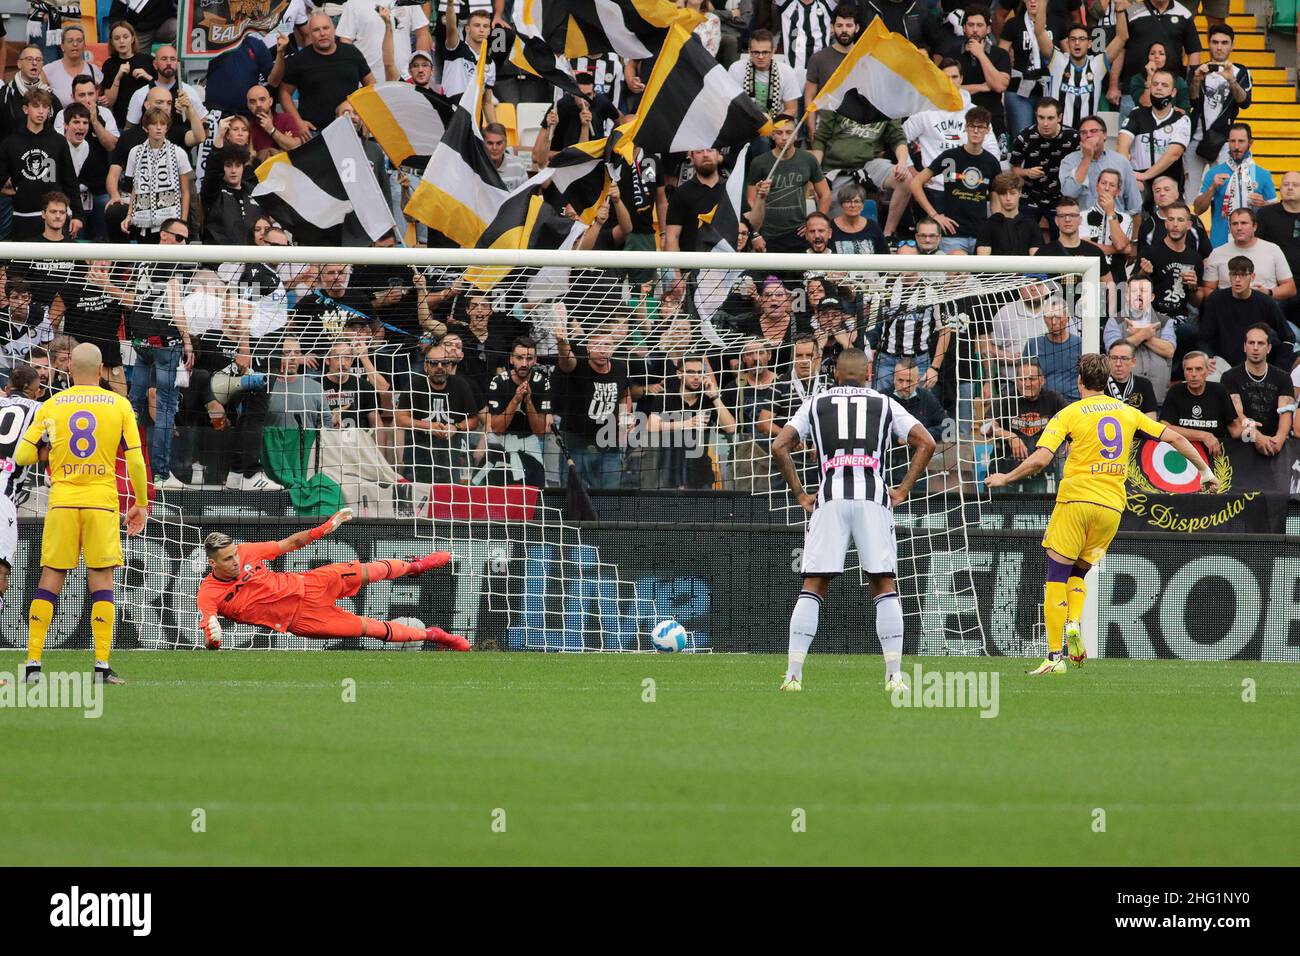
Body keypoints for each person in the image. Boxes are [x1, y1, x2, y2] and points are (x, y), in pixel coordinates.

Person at [986, 353, 1217, 674]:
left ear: (1079, 380)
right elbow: (1175, 437)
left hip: (1076, 502)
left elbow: (1040, 460)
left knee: (1056, 576)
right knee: (1079, 573)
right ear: (1106, 381)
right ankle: (1074, 623)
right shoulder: (1127, 412)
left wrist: (1005, 478)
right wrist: (1205, 472)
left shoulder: (1068, 414)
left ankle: (1054, 656)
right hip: (1111, 508)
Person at [771, 347, 936, 692]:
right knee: (884, 583)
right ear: (869, 373)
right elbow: (926, 442)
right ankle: (893, 676)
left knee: (814, 583)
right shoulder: (884, 402)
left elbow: (780, 445)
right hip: (873, 499)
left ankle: (793, 675)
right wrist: (903, 489)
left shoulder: (817, 403)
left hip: (829, 499)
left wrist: (801, 494)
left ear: (835, 375)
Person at [14, 342, 149, 685]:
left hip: (62, 501)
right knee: (101, 582)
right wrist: (141, 503)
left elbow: (23, 457)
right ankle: (102, 666)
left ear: (69, 369)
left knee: (50, 580)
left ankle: (32, 664)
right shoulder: (119, 404)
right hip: (101, 501)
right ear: (102, 368)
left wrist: (48, 449)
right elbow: (134, 458)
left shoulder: (52, 404)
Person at [198, 512, 467, 650]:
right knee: (372, 629)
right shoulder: (208, 594)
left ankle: (416, 566)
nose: (235, 560)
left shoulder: (246, 552)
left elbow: (289, 543)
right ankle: (434, 635)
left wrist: (323, 529)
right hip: (302, 621)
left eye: (234, 554)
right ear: (213, 564)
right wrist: (215, 641)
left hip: (310, 583)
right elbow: (210, 636)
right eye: (227, 559)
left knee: (366, 570)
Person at [910, 106, 1003, 254]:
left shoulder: (991, 162)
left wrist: (995, 225)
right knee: (957, 274)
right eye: (972, 126)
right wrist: (935, 216)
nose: (976, 130)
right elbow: (915, 183)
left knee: (981, 275)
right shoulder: (950, 156)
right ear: (965, 127)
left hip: (981, 234)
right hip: (953, 234)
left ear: (988, 130)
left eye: (981, 127)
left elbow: (995, 198)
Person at [0, 89, 82, 240]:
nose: (41, 111)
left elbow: (70, 180)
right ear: (25, 109)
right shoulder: (10, 143)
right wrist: (17, 189)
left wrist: (77, 215)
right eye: (36, 106)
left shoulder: (59, 141)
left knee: (57, 262)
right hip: (23, 215)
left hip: (55, 216)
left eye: (45, 107)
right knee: (22, 263)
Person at [396, 341, 481, 485]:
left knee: (451, 498)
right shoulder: (415, 384)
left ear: (450, 366)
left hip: (451, 454)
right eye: (434, 363)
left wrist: (456, 427)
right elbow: (400, 419)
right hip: (419, 453)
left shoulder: (461, 385)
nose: (439, 367)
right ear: (426, 366)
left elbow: (474, 420)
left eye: (444, 363)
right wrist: (428, 426)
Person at [279, 12, 375, 135]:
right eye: (316, 30)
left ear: (334, 29)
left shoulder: (351, 52)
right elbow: (284, 93)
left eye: (326, 28)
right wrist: (298, 123)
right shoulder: (299, 60)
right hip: (316, 132)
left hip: (351, 128)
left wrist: (364, 114)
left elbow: (371, 83)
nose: (322, 33)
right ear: (310, 34)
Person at [747, 114, 831, 253]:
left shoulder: (807, 159)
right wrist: (755, 233)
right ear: (772, 135)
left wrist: (814, 223)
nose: (784, 137)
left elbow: (825, 194)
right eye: (779, 132)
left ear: (796, 134)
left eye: (789, 132)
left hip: (798, 233)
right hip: (768, 233)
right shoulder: (759, 162)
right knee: (771, 275)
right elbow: (751, 199)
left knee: (798, 274)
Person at [1185, 24, 1252, 197]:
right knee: (1190, 192)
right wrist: (1197, 80)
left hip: (1223, 140)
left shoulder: (1241, 71)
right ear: (1209, 44)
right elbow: (1191, 100)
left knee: (1224, 193)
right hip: (1195, 138)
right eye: (1215, 42)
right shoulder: (1198, 69)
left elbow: (1244, 102)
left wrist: (1232, 80)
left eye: (1224, 42)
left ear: (1232, 46)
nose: (1219, 47)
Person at [1198, 256, 1294, 377]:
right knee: (1208, 381)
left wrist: (1279, 369)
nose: (1237, 279)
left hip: (1256, 365)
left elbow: (1288, 337)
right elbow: (1204, 337)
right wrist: (1207, 356)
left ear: (1252, 277)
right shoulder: (1216, 299)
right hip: (1222, 362)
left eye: (1243, 275)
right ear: (1229, 276)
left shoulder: (1265, 301)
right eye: (1234, 274)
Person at [1036, 11, 1126, 131]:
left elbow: (1122, 37)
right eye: (1073, 39)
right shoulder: (1058, 62)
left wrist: (1119, 9)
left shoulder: (1097, 65)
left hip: (1087, 137)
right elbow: (1039, 32)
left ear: (1089, 44)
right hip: (1060, 136)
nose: (1077, 43)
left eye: (1082, 39)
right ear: (1067, 43)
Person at [1192, 123, 1275, 249]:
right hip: (1221, 244)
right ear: (1228, 142)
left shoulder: (1263, 174)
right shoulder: (1214, 173)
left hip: (1254, 245)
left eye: (1241, 141)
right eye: (1232, 141)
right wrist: (1212, 188)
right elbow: (1198, 209)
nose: (1236, 146)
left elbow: (1276, 212)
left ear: (1250, 143)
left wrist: (1264, 205)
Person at [985, 358, 1067, 486]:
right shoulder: (1006, 398)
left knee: (1039, 504)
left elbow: (1071, 422)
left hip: (1037, 468)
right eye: (1022, 379)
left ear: (1042, 380)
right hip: (1005, 465)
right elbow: (985, 427)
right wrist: (1010, 436)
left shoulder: (1053, 399)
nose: (1027, 384)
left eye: (1032, 379)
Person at [0, 365, 42, 611]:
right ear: (33, 391)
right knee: (1, 569)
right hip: (2, 493)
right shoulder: (40, 409)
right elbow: (46, 451)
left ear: (8, 388)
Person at [1221, 324, 1294, 462]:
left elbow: (1286, 412)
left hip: (1275, 445)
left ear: (1269, 348)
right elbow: (1236, 413)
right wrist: (1257, 436)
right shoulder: (1230, 376)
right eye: (1251, 343)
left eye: (1260, 343)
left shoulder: (1283, 377)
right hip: (1242, 444)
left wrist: (1279, 439)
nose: (1255, 348)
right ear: (1244, 347)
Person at [486, 337, 552, 488]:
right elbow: (496, 429)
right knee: (493, 490)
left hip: (529, 440)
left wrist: (528, 401)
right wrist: (515, 400)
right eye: (520, 358)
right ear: (511, 359)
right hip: (499, 442)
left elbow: (540, 430)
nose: (524, 364)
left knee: (537, 489)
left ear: (535, 360)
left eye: (529, 358)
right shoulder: (498, 382)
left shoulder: (542, 382)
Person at [1009, 97, 1079, 232]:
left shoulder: (1073, 137)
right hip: (1031, 194)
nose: (1045, 123)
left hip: (1062, 196)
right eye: (1041, 118)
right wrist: (1027, 172)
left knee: (1062, 241)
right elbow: (1014, 170)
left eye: (1050, 118)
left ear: (1060, 117)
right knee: (1022, 234)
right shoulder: (1025, 136)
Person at [1116, 69, 1190, 196]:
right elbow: (1122, 145)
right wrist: (1129, 175)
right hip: (1139, 180)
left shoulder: (1181, 119)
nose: (1159, 88)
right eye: (1155, 84)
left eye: (1164, 85)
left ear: (1173, 92)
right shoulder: (1136, 114)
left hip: (1169, 182)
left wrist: (1146, 175)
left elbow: (1174, 153)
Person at [1103, 276, 1177, 402]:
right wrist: (1142, 335)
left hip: (1157, 397)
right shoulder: (1114, 321)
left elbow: (1169, 350)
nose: (1139, 294)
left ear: (1152, 297)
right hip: (1122, 400)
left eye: (1144, 291)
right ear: (1127, 296)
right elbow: (1113, 351)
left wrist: (1143, 336)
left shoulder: (1165, 322)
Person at [1202, 208, 1295, 300]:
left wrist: (1267, 292)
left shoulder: (1273, 249)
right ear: (1230, 228)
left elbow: (1290, 288)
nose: (1239, 228)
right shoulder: (1217, 253)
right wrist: (1227, 300)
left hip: (1264, 309)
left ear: (1254, 227)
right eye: (1234, 224)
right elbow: (1208, 289)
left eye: (1244, 223)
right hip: (1228, 310)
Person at [1058, 114, 1143, 213]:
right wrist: (1086, 158)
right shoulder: (1069, 160)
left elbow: (1135, 205)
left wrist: (1122, 223)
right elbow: (1069, 194)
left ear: (1105, 135)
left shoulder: (1121, 162)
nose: (1088, 135)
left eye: (1093, 131)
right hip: (1082, 223)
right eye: (1083, 133)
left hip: (1114, 222)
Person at [1159, 350, 1237, 456]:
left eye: (1199, 369)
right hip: (1183, 455)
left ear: (1208, 370)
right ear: (1184, 372)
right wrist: (1203, 436)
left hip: (1215, 454)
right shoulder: (1175, 391)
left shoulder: (1219, 391)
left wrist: (1251, 432)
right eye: (1189, 369)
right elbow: (1164, 427)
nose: (1194, 374)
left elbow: (1234, 429)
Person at [803, 4, 859, 142]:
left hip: (858, 129)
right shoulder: (818, 59)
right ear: (832, 28)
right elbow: (809, 98)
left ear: (857, 28)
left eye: (849, 25)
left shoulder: (866, 57)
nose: (844, 30)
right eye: (839, 26)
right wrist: (812, 131)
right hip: (826, 129)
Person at [956, 6, 1012, 140]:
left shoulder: (1001, 55)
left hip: (993, 119)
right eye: (970, 25)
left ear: (988, 29)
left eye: (980, 25)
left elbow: (999, 86)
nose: (975, 29)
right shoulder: (953, 55)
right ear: (964, 28)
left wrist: (980, 54)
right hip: (960, 120)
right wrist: (982, 87)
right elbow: (948, 90)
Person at [1257, 171, 1300, 330]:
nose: (1290, 188)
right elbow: (1255, 246)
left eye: (1295, 185)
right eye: (1285, 184)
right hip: (1275, 285)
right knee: (1275, 332)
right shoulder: (1266, 213)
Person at [1138, 175, 1212, 260]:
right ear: (1154, 196)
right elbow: (1141, 260)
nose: (1162, 193)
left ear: (1177, 194)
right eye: (1157, 191)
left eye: (1167, 189)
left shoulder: (1193, 221)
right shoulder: (1148, 225)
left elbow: (1206, 256)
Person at [1023, 300, 1082, 400]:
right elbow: (1024, 377)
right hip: (1043, 403)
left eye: (1058, 317)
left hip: (1073, 402)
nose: (1054, 322)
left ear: (1067, 318)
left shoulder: (1079, 344)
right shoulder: (1033, 345)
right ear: (1044, 319)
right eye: (1049, 317)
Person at [976, 172, 1042, 256]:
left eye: (1012, 193)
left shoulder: (1032, 226)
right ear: (998, 195)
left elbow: (1036, 263)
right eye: (1003, 193)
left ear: (1020, 193)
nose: (1008, 198)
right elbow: (983, 263)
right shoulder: (988, 226)